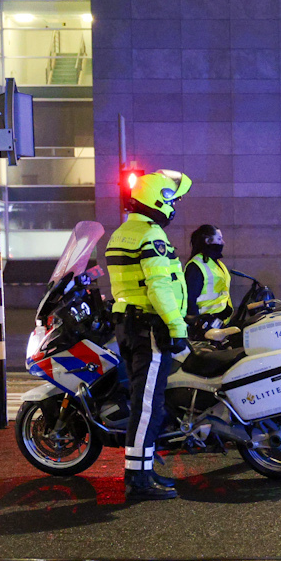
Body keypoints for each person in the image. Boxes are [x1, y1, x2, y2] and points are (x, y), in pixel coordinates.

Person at [104, 168, 191, 500]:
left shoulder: (123, 232)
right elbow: (159, 287)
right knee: (148, 405)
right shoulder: (150, 235)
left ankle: (140, 471)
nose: (174, 208)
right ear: (159, 200)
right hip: (149, 327)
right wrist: (177, 325)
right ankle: (139, 479)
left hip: (130, 325)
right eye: (172, 201)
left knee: (142, 401)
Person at [185, 224, 232, 337]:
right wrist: (196, 323)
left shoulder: (217, 263)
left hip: (219, 323)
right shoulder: (197, 265)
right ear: (208, 240)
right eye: (219, 239)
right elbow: (190, 299)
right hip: (204, 327)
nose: (223, 243)